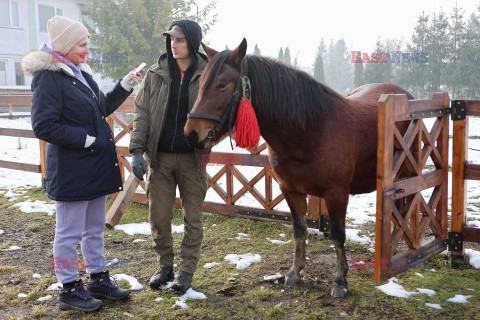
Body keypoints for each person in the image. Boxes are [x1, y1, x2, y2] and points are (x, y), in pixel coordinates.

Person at [21, 15, 142, 312]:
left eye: (87, 44)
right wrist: (86, 139)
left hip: (95, 168)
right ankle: (68, 287)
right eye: (82, 45)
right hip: (72, 172)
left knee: (93, 229)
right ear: (64, 45)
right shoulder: (48, 77)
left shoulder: (80, 73)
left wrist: (125, 84)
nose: (88, 51)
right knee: (68, 233)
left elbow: (100, 107)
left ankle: (98, 279)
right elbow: (43, 126)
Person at [129, 20, 210, 294]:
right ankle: (165, 266)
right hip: (160, 158)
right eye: (171, 39)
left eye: (180, 40)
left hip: (193, 160)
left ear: (193, 42)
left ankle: (186, 271)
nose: (173, 44)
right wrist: (137, 150)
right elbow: (142, 113)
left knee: (193, 219)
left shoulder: (206, 74)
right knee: (158, 217)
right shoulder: (156, 73)